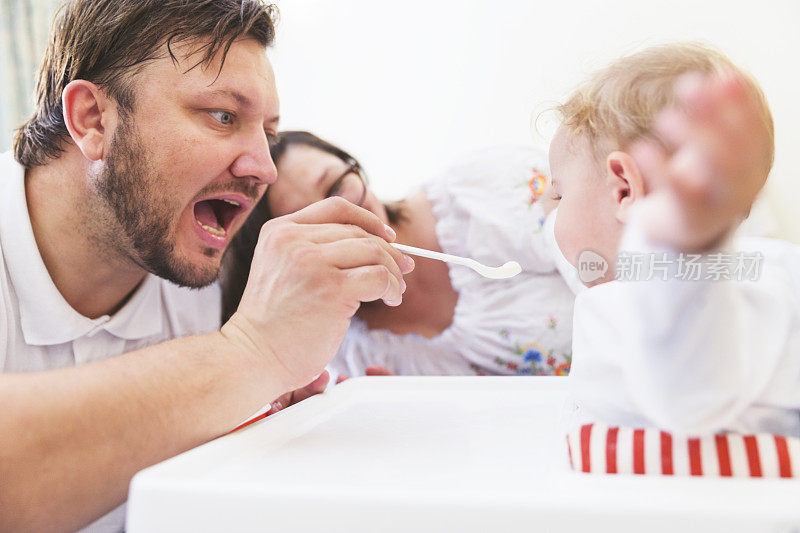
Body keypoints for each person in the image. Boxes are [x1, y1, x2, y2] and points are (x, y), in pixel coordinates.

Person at [0, 1, 414, 531]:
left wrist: (266, 437)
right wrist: (250, 355)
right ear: (92, 118)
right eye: (223, 116)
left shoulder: (207, 270)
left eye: (268, 132)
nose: (263, 168)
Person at [547, 42, 799, 437]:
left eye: (559, 196)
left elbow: (693, 400)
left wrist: (683, 252)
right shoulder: (773, 266)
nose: (551, 214)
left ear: (624, 191)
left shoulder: (617, 305)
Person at [221, 131, 576, 380]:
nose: (347, 215)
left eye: (336, 186)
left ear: (351, 164)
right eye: (318, 221)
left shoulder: (483, 190)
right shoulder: (349, 355)